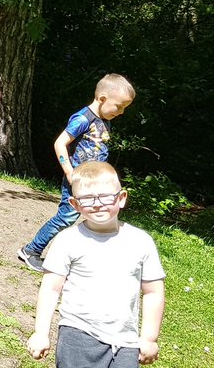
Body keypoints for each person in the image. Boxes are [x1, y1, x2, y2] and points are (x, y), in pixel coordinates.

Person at [26, 161, 165, 368]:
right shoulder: (68, 240)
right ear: (76, 205)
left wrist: (149, 338)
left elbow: (154, 292)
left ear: (121, 198)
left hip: (125, 338)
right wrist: (41, 332)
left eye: (105, 196)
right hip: (79, 330)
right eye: (87, 199)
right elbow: (51, 288)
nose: (98, 204)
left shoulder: (141, 242)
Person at [18, 73, 135, 272]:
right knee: (67, 217)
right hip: (78, 179)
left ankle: (89, 258)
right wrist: (70, 173)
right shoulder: (83, 118)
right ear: (102, 99)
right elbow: (60, 143)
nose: (122, 112)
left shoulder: (104, 119)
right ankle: (31, 250)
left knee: (100, 214)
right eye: (120, 106)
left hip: (94, 180)